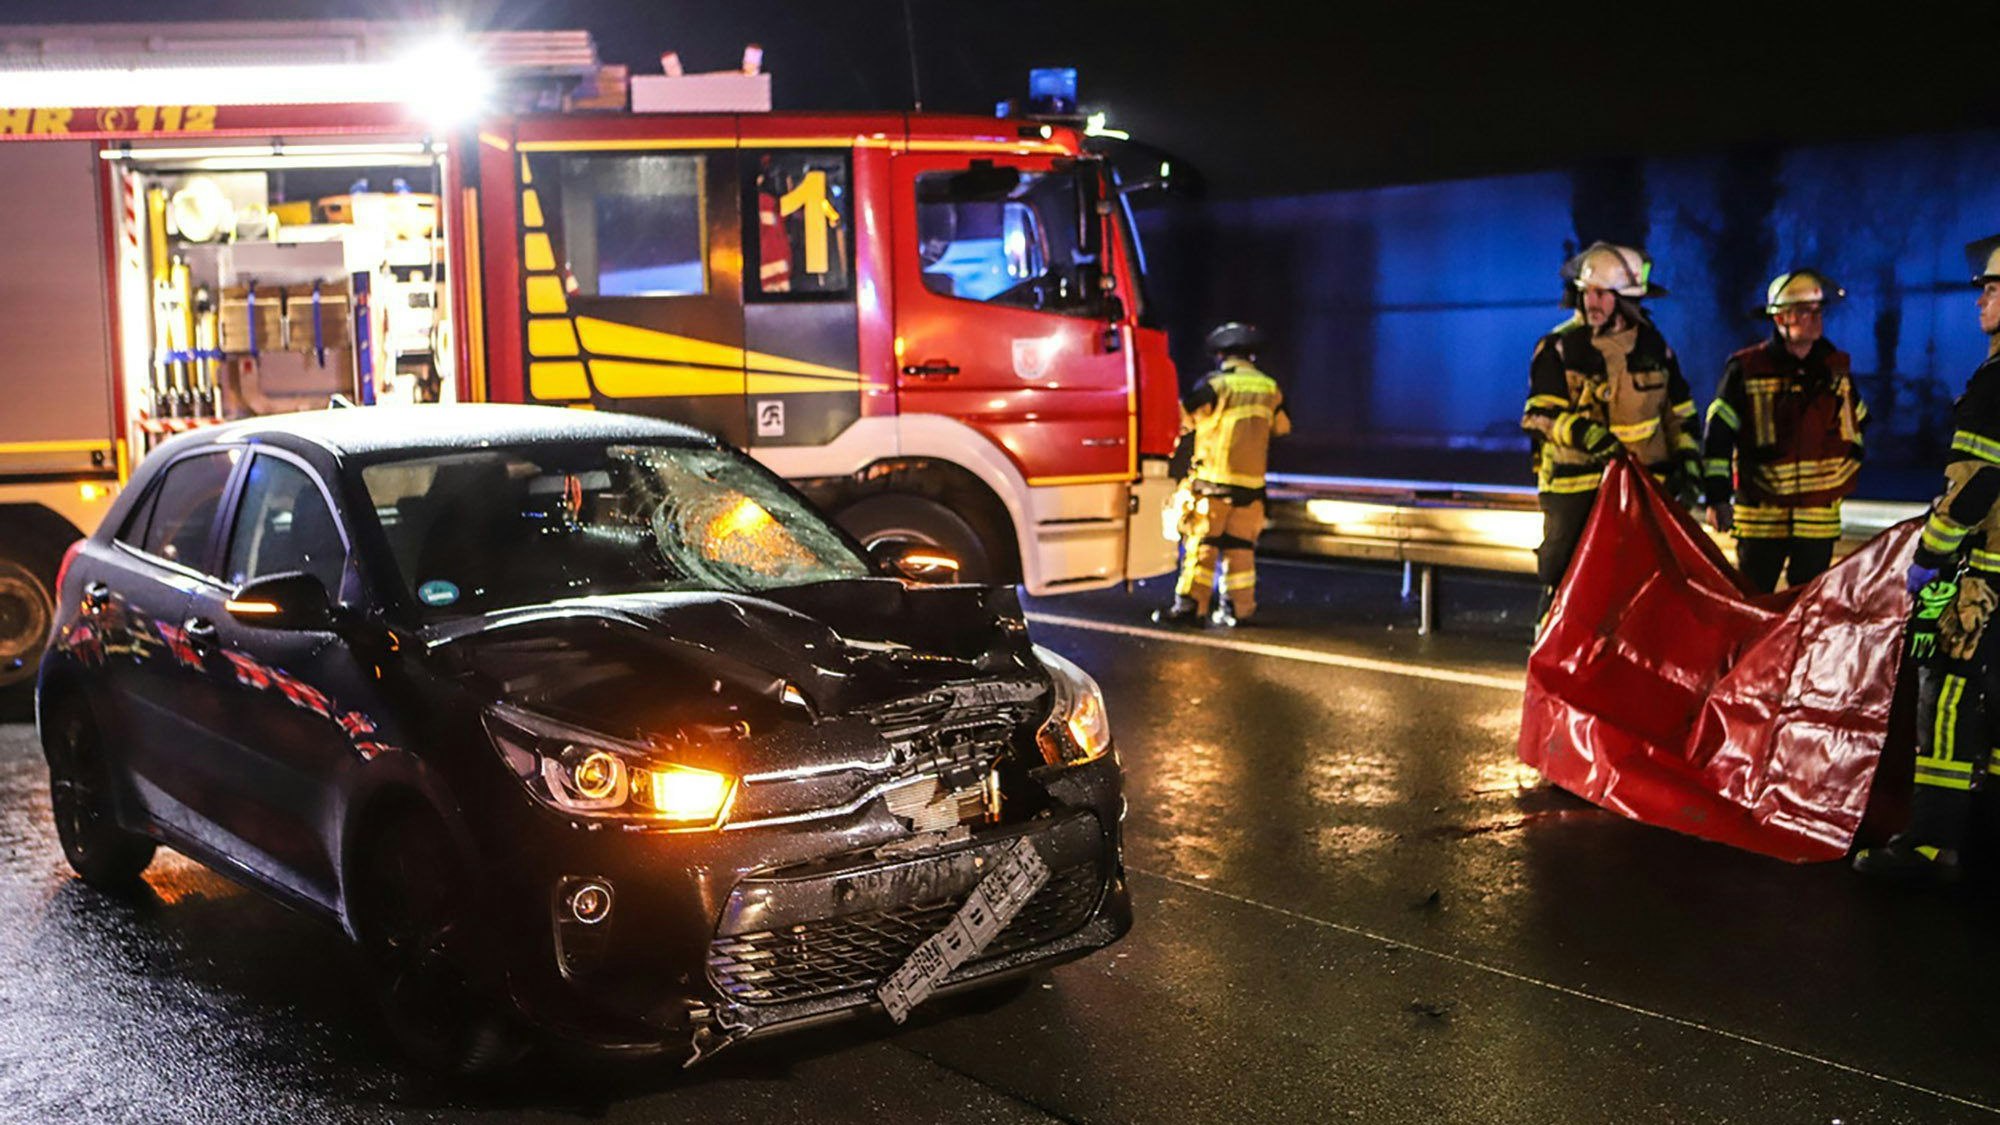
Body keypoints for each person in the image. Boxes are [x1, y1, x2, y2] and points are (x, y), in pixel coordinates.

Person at [1855, 235, 2000, 885]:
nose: (1983, 298)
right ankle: (1987, 838)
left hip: (1981, 575)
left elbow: (1978, 483)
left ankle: (1930, 846)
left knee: (1943, 692)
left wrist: (1931, 554)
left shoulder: (1995, 382)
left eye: (1994, 288)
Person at [1521, 241, 1701, 623]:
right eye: (1587, 293)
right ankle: (1551, 661)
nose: (1591, 302)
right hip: (1576, 488)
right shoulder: (1559, 347)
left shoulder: (1654, 347)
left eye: (1602, 294)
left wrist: (1688, 461)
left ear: (1626, 299)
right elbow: (1539, 415)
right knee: (1563, 578)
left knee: (1640, 586)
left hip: (1642, 488)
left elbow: (1680, 414)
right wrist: (1589, 436)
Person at [1702, 270, 1869, 592]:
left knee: (1807, 610)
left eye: (1819, 311)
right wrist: (1718, 497)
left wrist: (1842, 478)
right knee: (1753, 603)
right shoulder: (1746, 369)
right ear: (1781, 317)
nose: (1816, 319)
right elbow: (1718, 436)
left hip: (1817, 519)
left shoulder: (1837, 370)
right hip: (1761, 518)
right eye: (1807, 311)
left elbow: (1856, 429)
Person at [1153, 322, 1290, 627]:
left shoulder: (1216, 385)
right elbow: (1282, 427)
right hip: (1252, 489)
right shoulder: (1269, 388)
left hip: (1214, 486)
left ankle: (1191, 608)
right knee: (1241, 553)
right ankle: (1238, 609)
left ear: (1221, 355)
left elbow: (1183, 418)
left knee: (1202, 549)